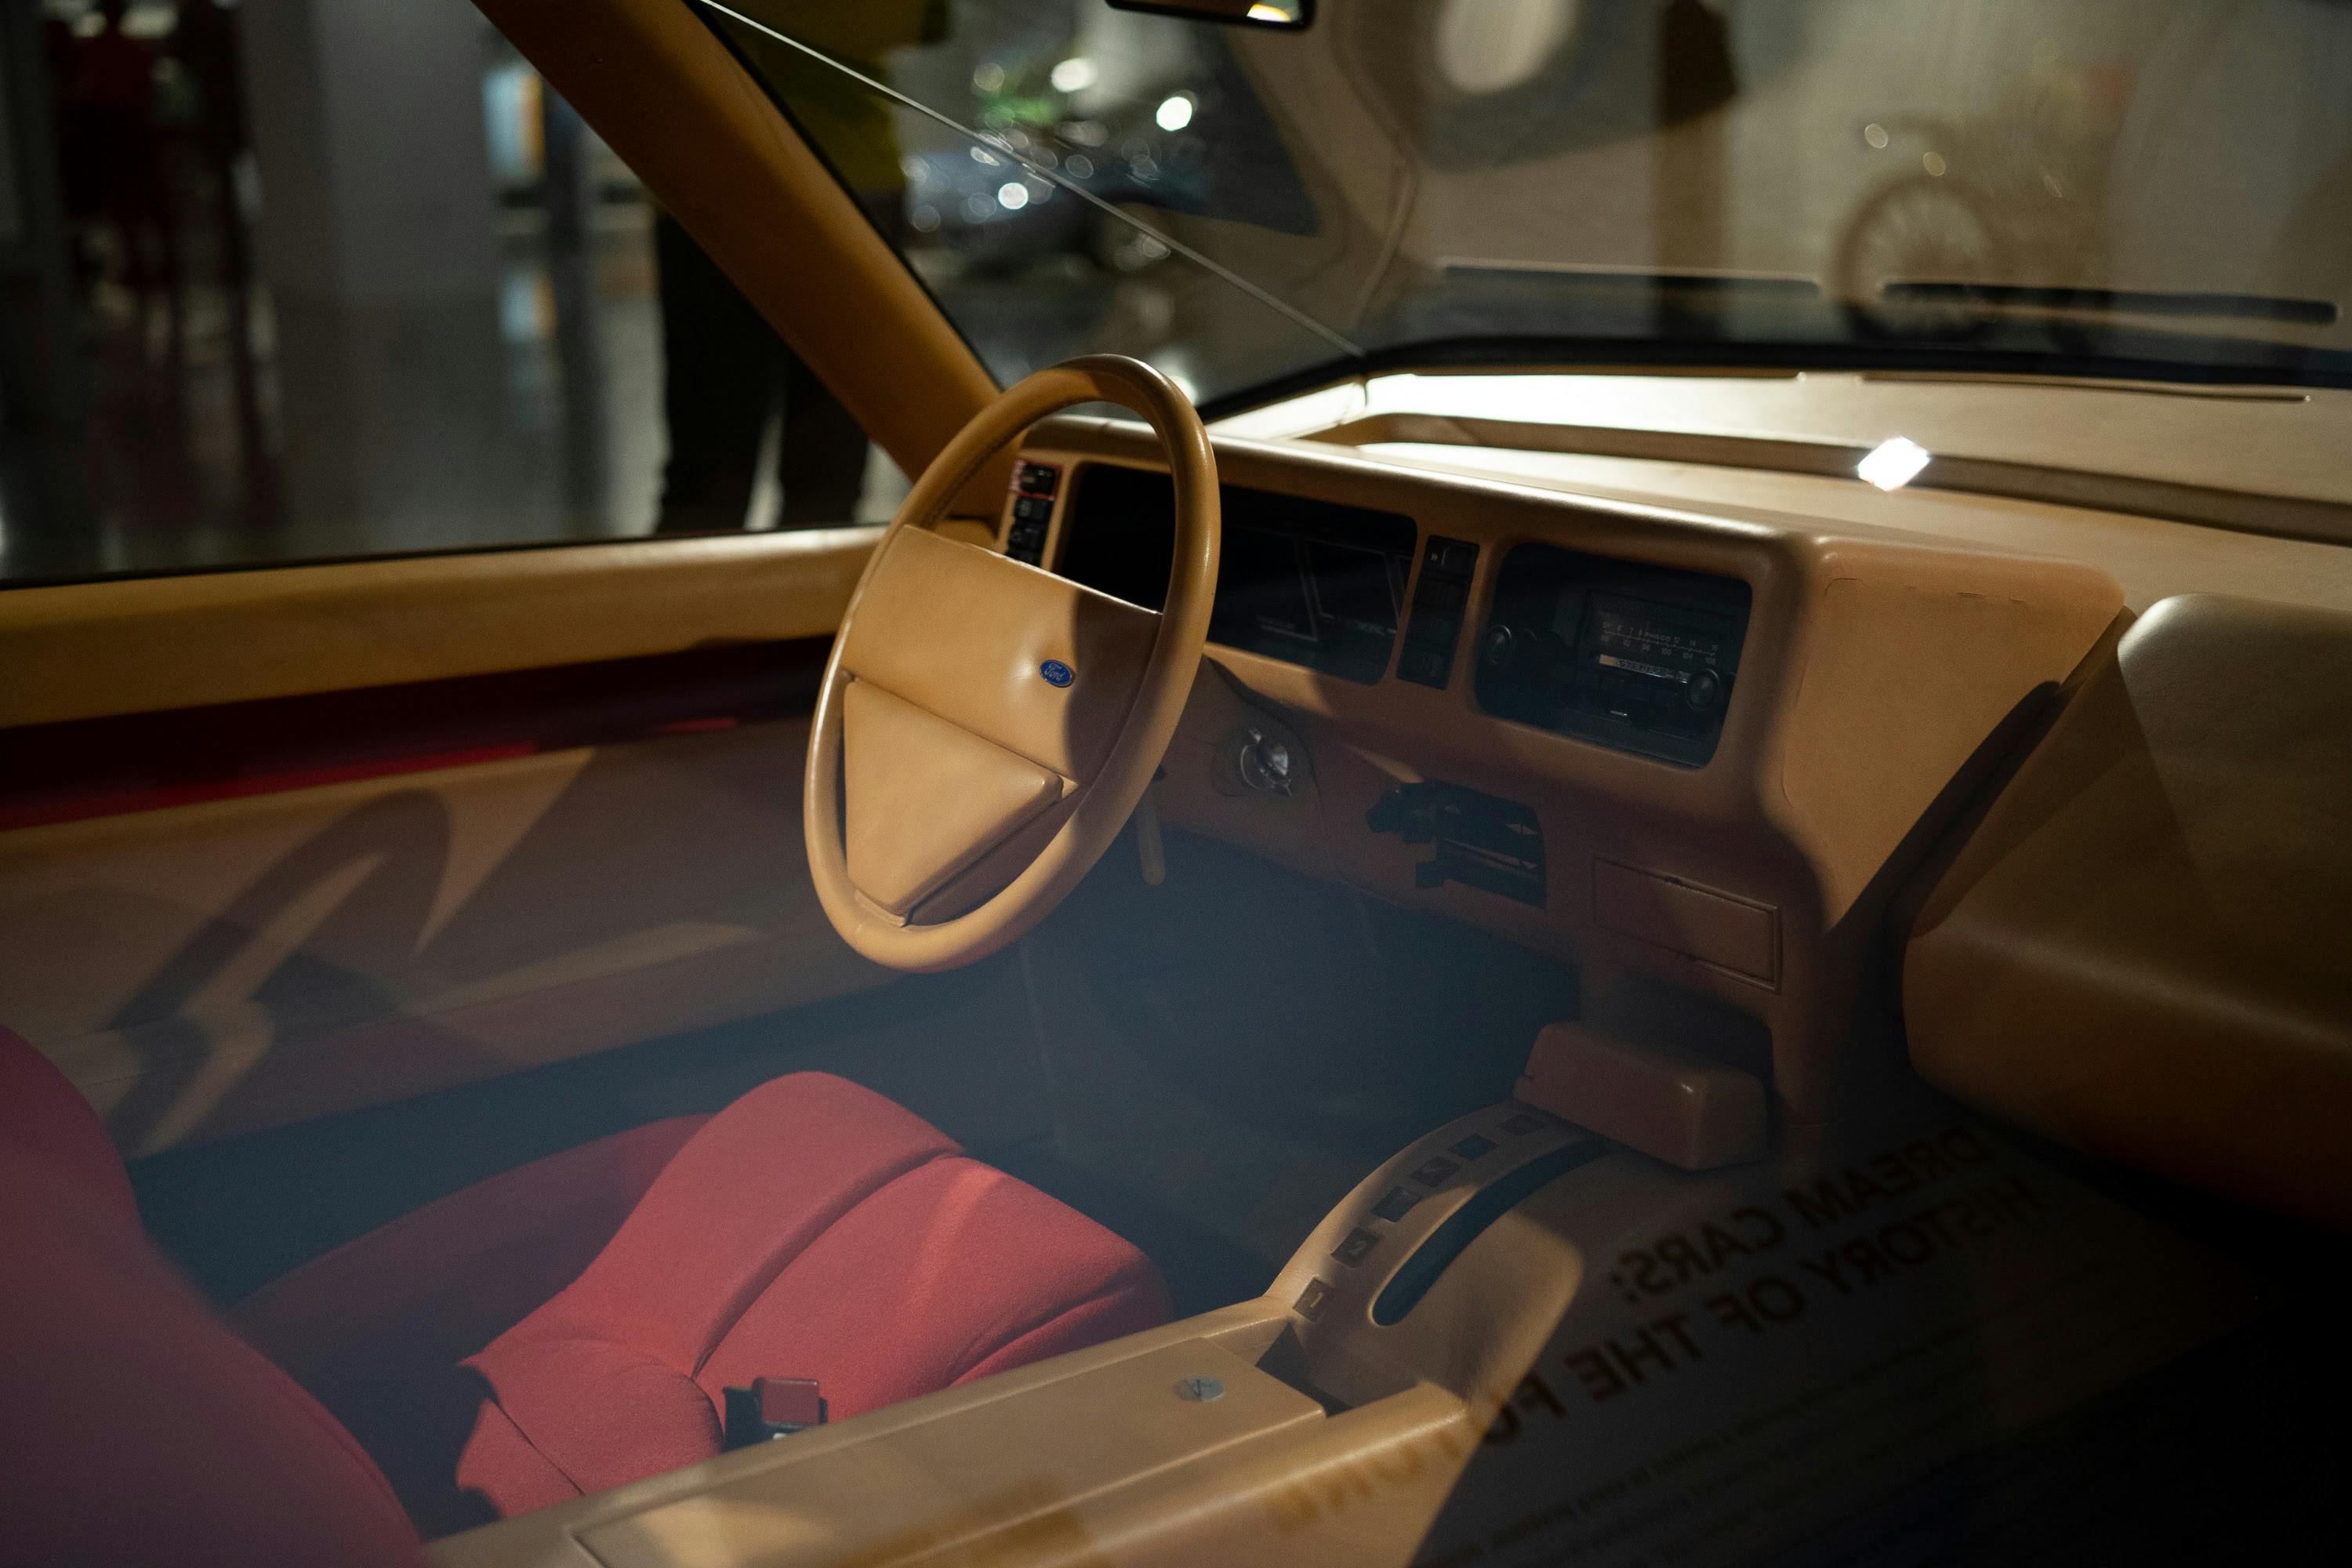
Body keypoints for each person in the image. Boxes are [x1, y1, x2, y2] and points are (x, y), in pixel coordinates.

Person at [655, 2, 938, 532]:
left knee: (794, 470)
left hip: (747, 169)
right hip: (765, 172)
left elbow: (923, 17)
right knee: (730, 472)